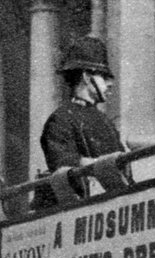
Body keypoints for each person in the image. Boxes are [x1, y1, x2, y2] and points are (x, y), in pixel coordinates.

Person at [38, 36, 124, 199]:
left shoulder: (104, 121)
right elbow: (62, 162)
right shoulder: (60, 119)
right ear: (86, 76)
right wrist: (101, 166)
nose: (110, 83)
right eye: (103, 76)